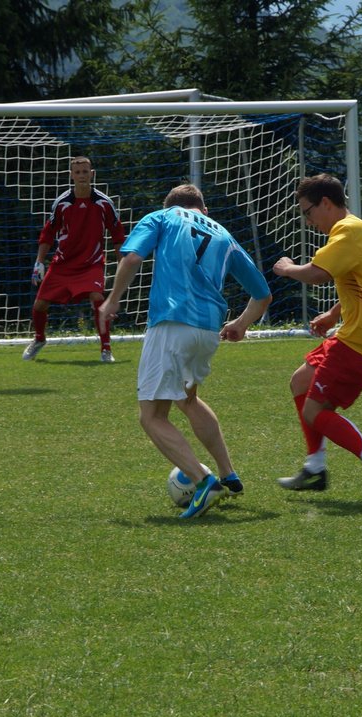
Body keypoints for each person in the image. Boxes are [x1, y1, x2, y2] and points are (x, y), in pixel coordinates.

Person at [98, 184, 271, 519]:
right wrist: (241, 324)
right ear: (204, 210)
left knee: (151, 416)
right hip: (208, 331)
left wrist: (113, 299)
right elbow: (263, 294)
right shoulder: (224, 235)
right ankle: (228, 473)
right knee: (187, 399)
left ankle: (204, 482)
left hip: (172, 323)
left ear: (171, 205)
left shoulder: (162, 217)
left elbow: (132, 257)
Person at [273, 173, 362, 505]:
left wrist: (287, 268)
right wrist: (333, 314)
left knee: (315, 411)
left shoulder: (346, 231)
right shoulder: (359, 228)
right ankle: (315, 467)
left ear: (326, 203)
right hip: (360, 332)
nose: (308, 220)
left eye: (308, 211)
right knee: (300, 382)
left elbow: (317, 274)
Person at [24, 155, 126, 362]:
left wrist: (122, 264)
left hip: (92, 263)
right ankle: (39, 339)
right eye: (77, 172)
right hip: (63, 264)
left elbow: (117, 236)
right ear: (71, 175)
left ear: (92, 174)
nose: (82, 176)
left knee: (97, 298)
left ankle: (106, 349)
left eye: (85, 172)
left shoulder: (104, 203)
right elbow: (48, 234)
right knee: (39, 305)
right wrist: (39, 262)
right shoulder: (61, 203)